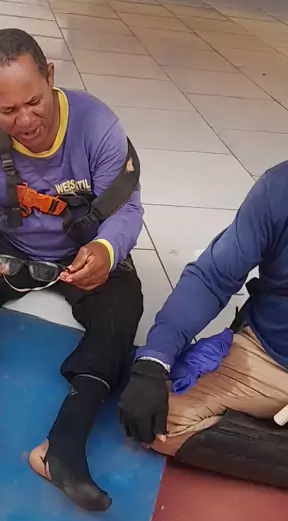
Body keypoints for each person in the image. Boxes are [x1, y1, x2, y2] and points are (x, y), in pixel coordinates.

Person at [0, 29, 144, 512]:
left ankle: (64, 447)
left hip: (81, 254)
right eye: (7, 110)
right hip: (11, 250)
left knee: (124, 302)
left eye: (34, 101)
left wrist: (105, 250)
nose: (27, 119)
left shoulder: (98, 126)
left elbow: (126, 211)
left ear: (50, 76)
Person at [118, 163, 288, 489]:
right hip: (268, 353)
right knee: (157, 421)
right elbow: (212, 278)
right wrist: (154, 361)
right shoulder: (278, 188)